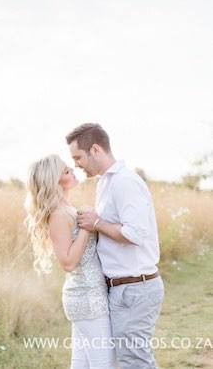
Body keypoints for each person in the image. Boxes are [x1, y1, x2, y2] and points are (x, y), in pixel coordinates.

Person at [66, 122, 163, 369]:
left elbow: (135, 234)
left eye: (78, 157)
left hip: (136, 287)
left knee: (135, 360)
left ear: (95, 149)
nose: (76, 164)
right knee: (126, 360)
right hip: (119, 288)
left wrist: (97, 222)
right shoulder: (104, 183)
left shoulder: (125, 182)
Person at [24, 154, 116, 369]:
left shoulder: (69, 210)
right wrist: (86, 228)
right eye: (66, 171)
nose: (73, 171)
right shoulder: (58, 214)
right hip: (86, 298)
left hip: (90, 294)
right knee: (105, 364)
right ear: (53, 182)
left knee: (82, 364)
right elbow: (67, 262)